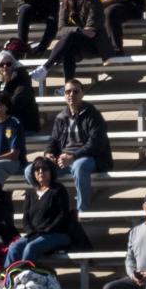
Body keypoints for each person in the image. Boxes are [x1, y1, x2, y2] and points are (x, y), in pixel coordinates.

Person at [45, 79, 111, 216]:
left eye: (76, 91)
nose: (71, 94)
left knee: (79, 166)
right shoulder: (61, 117)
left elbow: (96, 143)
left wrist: (73, 156)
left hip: (89, 158)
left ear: (82, 94)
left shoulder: (92, 114)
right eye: (68, 91)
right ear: (64, 95)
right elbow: (53, 140)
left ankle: (83, 212)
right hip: (64, 159)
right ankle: (45, 211)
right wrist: (49, 153)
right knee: (34, 170)